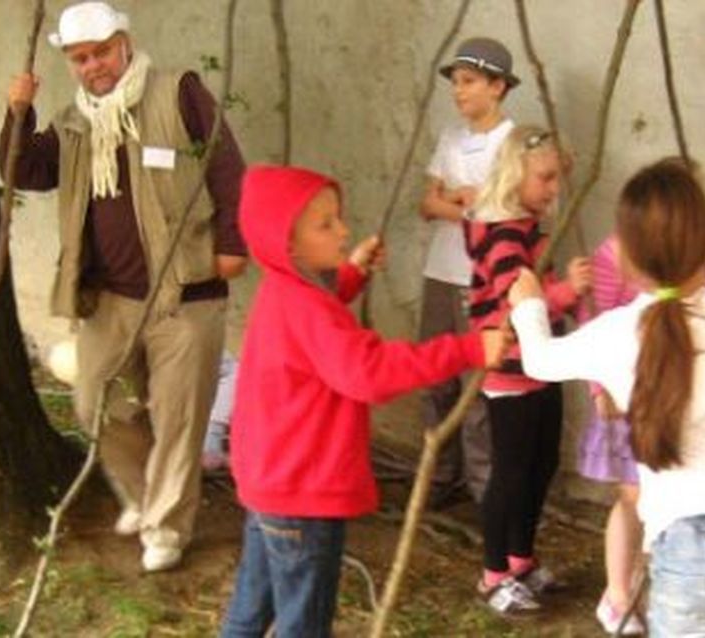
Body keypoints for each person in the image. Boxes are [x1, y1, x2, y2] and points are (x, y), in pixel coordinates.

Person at [0, 1, 248, 572]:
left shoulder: (177, 92)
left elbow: (226, 166)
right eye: (81, 58)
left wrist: (234, 244)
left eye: (102, 52)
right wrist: (19, 110)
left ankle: (166, 528)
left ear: (124, 44)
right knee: (94, 402)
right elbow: (24, 171)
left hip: (186, 291)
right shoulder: (73, 121)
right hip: (110, 297)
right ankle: (142, 495)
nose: (94, 66)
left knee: (180, 418)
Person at [220, 165, 508, 637]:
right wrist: (471, 348)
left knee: (252, 609)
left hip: (271, 484)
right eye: (326, 224)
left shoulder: (284, 289)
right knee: (303, 624)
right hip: (303, 495)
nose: (343, 229)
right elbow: (369, 374)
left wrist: (351, 273)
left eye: (339, 218)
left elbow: (320, 336)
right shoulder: (307, 307)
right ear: (286, 244)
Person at [509, 158, 705, 637]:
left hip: (684, 542)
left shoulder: (620, 332)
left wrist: (529, 303)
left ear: (628, 256)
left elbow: (539, 360)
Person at [463, 124, 592, 614]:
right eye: (546, 178)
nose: (555, 189)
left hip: (542, 365)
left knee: (540, 467)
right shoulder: (502, 239)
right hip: (511, 374)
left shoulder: (533, 232)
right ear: (517, 174)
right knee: (512, 473)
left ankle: (521, 559)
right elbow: (514, 306)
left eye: (559, 179)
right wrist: (564, 292)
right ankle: (493, 573)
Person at [418, 37, 519, 506]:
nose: (459, 92)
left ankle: (484, 487)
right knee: (434, 376)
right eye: (456, 83)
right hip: (441, 269)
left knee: (477, 386)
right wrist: (463, 202)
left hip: (482, 276)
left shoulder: (513, 142)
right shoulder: (449, 138)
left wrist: (459, 202)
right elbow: (426, 204)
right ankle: (439, 477)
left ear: (497, 86)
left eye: (470, 81)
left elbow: (504, 210)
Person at [576, 236, 644, 635]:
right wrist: (599, 388)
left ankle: (638, 584)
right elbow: (593, 321)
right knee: (633, 497)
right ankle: (617, 596)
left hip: (666, 399)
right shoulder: (617, 253)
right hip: (625, 395)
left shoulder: (689, 252)